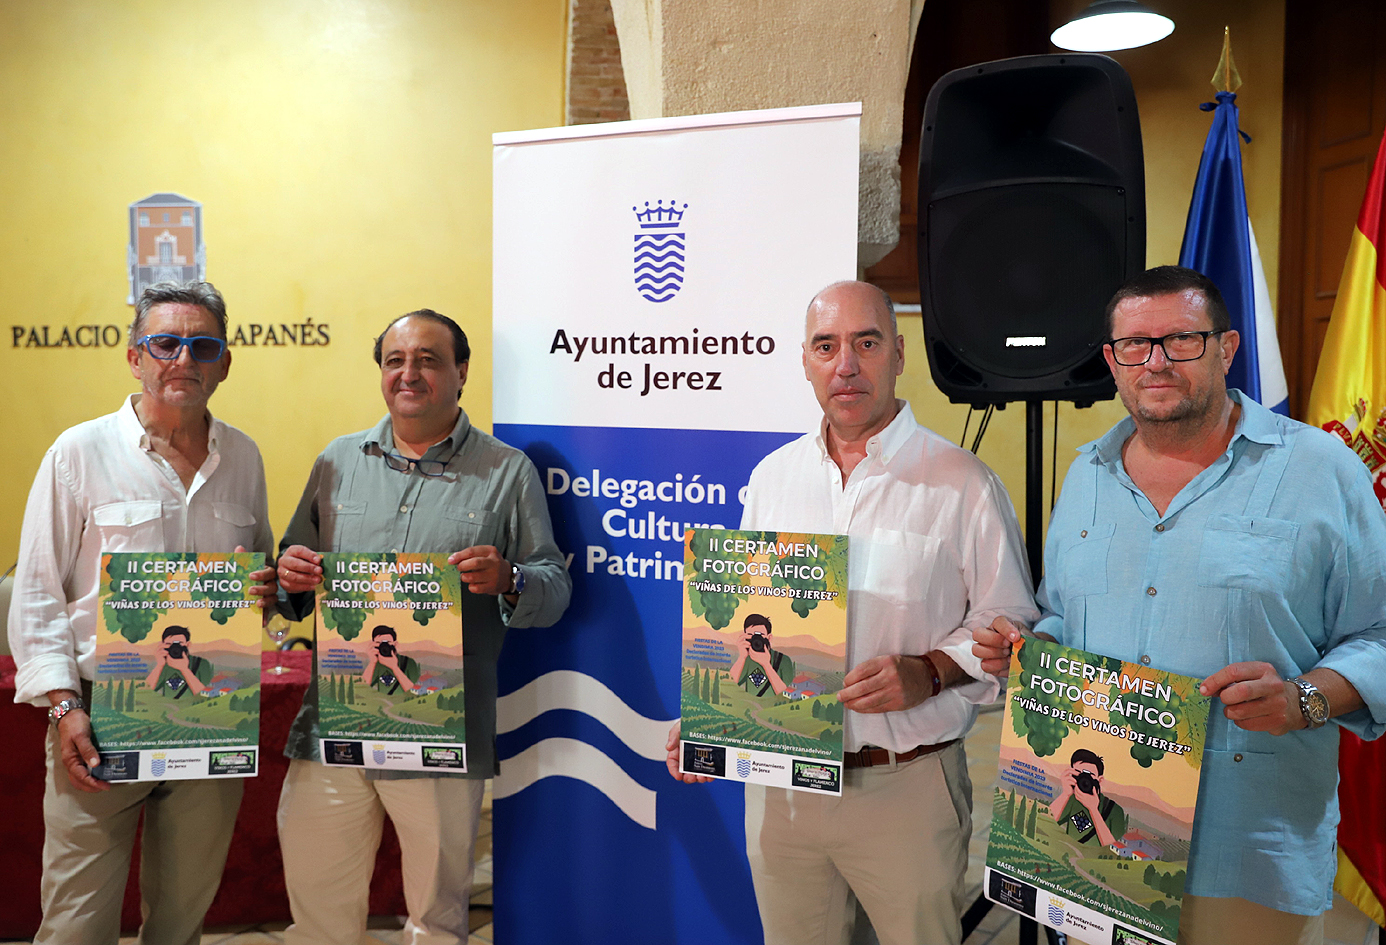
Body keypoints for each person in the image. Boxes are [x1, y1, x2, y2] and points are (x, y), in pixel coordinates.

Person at [974, 266, 1386, 945]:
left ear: (1226, 349)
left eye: (1181, 340)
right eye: (1135, 345)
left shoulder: (1321, 469)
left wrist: (1304, 699)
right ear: (1112, 360)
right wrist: (1031, 650)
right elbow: (1061, 616)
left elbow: (1378, 631)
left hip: (1247, 854)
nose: (1156, 361)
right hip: (1096, 857)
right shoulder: (1086, 475)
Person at [667, 281, 1037, 945]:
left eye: (866, 343)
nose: (846, 364)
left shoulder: (963, 482)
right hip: (783, 793)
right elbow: (750, 617)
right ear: (805, 362)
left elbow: (1009, 622)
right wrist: (712, 722)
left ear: (898, 354)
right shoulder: (772, 477)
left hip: (906, 787)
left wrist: (931, 669)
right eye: (826, 346)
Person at [275, 307, 572, 945]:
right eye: (395, 360)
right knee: (319, 911)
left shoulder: (507, 471)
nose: (408, 374)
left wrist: (511, 579)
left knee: (434, 922)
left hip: (442, 732)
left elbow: (554, 586)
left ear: (461, 372)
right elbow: (289, 577)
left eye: (428, 360)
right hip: (334, 726)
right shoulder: (337, 460)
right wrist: (288, 577)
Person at [7, 281, 277, 945]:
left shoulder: (243, 457)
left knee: (183, 916)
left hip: (211, 707)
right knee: (76, 921)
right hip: (100, 711)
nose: (184, 358)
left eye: (202, 346)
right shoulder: (78, 453)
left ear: (224, 363)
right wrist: (64, 708)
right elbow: (37, 591)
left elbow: (259, 571)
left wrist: (262, 593)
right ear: (135, 357)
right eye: (166, 343)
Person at [1049, 749, 1126, 849]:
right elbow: (1048, 821)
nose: (1084, 779)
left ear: (1100, 780)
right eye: (1078, 773)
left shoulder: (1115, 810)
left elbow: (1115, 848)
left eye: (1089, 775)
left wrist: (1093, 810)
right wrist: (1065, 794)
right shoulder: (1072, 799)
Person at [729, 613, 794, 699]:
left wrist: (766, 664)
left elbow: (787, 694)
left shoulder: (783, 660)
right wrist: (742, 657)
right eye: (750, 635)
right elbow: (730, 684)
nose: (756, 639)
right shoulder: (747, 659)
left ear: (769, 637)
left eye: (760, 635)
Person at [144, 625, 214, 698]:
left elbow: (207, 695)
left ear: (188, 644)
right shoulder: (163, 665)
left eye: (179, 644)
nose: (174, 648)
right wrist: (159, 665)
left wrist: (185, 670)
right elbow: (145, 692)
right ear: (162, 645)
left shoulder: (201, 664)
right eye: (168, 644)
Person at [361, 625, 418, 695]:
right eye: (379, 643)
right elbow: (363, 688)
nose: (384, 646)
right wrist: (372, 663)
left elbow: (415, 691)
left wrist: (395, 667)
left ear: (395, 644)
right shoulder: (376, 664)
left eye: (387, 643)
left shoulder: (409, 662)